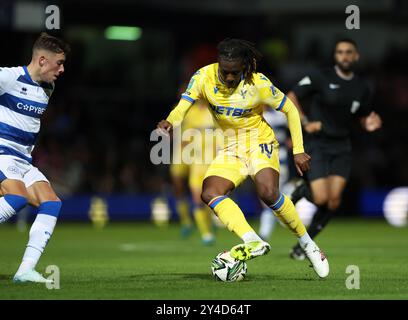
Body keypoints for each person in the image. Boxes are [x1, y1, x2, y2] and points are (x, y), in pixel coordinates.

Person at [157, 38, 329, 278]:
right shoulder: (203, 77)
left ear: (245, 67)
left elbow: (289, 108)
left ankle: (309, 244)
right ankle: (252, 241)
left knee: (268, 193)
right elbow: (183, 106)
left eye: (234, 73)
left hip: (260, 143)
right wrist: (170, 121)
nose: (228, 77)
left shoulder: (258, 84)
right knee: (209, 192)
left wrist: (298, 149)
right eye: (224, 71)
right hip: (230, 148)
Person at [286, 38, 382, 260]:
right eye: (340, 52)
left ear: (356, 56)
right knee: (320, 198)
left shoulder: (362, 87)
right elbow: (291, 96)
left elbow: (361, 116)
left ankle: (303, 246)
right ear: (335, 56)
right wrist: (305, 120)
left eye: (349, 52)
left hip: (342, 145)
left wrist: (368, 123)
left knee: (334, 201)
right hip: (318, 142)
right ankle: (303, 191)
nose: (344, 56)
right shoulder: (322, 77)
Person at [0, 32, 70, 283]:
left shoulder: (48, 87)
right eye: (59, 63)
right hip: (2, 152)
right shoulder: (8, 77)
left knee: (52, 203)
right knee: (16, 198)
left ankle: (25, 271)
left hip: (22, 160)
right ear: (42, 60)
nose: (62, 69)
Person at [170, 98, 219, 245]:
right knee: (196, 196)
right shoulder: (190, 112)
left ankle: (209, 223)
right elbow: (185, 136)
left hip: (214, 162)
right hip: (196, 161)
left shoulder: (217, 111)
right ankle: (205, 234)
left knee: (211, 198)